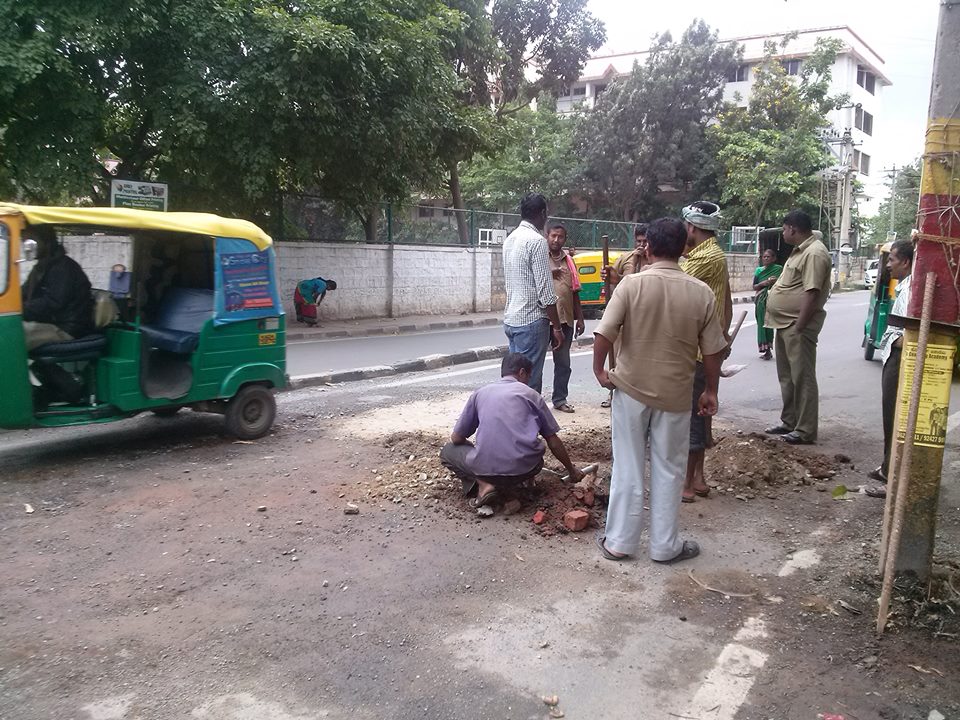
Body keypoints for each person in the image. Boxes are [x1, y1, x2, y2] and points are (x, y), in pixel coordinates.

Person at [593, 217, 727, 563]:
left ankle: (619, 542)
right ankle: (665, 547)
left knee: (628, 464)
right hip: (676, 395)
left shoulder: (630, 285)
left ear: (648, 247)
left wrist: (600, 371)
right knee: (669, 467)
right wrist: (710, 390)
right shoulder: (701, 292)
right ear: (684, 248)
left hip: (631, 391)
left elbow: (604, 333)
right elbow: (713, 350)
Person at [440, 352, 584, 508]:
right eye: (529, 377)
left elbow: (456, 438)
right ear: (522, 372)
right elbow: (553, 441)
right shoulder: (532, 395)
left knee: (449, 450)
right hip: (526, 469)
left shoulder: (480, 394)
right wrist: (571, 470)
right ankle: (516, 485)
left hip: (485, 470)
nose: (528, 381)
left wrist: (477, 450)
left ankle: (484, 484)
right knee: (536, 452)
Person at [764, 210, 833, 445]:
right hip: (784, 323)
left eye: (784, 229)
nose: (783, 233)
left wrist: (801, 325)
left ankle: (805, 430)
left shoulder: (814, 252)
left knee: (802, 377)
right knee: (787, 377)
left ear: (793, 228)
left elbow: (812, 292)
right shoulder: (799, 251)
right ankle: (789, 421)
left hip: (797, 325)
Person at [679, 201, 732, 503]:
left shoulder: (705, 258)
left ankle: (687, 483)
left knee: (693, 416)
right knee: (701, 413)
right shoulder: (712, 254)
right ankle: (698, 478)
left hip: (698, 352)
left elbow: (674, 280)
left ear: (692, 227)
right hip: (708, 348)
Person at [502, 193, 564, 395]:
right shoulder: (537, 241)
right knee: (529, 381)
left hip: (512, 319)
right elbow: (545, 292)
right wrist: (556, 327)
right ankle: (527, 424)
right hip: (531, 321)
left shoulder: (510, 239)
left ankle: (512, 421)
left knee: (513, 381)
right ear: (542, 213)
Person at [866, 239, 914, 495]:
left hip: (899, 359)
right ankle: (887, 468)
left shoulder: (910, 289)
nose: (888, 265)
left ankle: (893, 480)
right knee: (890, 417)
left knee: (896, 418)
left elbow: (911, 335)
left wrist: (894, 342)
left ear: (905, 262)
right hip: (893, 357)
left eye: (892, 260)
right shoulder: (904, 285)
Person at [599, 223, 649, 408]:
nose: (642, 245)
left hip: (645, 320)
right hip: (624, 320)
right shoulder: (626, 258)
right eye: (639, 241)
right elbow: (615, 282)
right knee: (619, 358)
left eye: (645, 241)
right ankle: (615, 394)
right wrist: (609, 276)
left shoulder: (655, 261)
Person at [21, 225, 94, 351]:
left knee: (12, 337)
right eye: (25, 241)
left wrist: (22, 309)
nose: (27, 247)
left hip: (67, 329)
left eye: (31, 241)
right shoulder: (41, 267)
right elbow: (23, 292)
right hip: (49, 324)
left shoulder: (63, 268)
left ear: (45, 241)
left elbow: (53, 302)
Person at [547, 223, 585, 413]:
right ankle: (528, 401)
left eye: (560, 237)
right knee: (532, 362)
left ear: (564, 239)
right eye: (553, 236)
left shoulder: (569, 261)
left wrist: (580, 318)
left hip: (565, 320)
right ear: (547, 236)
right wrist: (549, 273)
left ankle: (560, 399)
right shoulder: (540, 258)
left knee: (563, 363)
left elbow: (575, 291)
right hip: (543, 320)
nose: (556, 240)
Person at [753, 249, 783, 360]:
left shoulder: (779, 269)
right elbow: (754, 286)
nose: (765, 259)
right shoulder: (758, 271)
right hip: (761, 299)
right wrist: (763, 283)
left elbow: (783, 283)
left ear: (774, 258)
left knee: (769, 322)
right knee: (761, 322)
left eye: (768, 257)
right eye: (764, 257)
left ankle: (768, 349)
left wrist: (774, 282)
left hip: (772, 298)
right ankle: (765, 349)